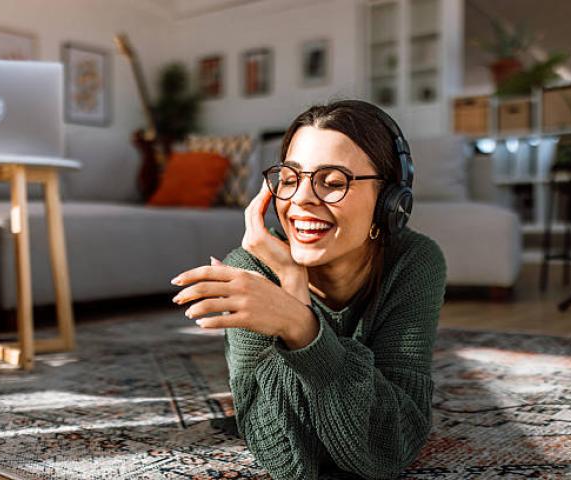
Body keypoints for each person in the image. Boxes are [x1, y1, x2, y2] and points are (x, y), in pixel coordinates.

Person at [170, 100, 447, 479]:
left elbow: (390, 445)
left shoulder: (414, 261)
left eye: (333, 182)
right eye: (288, 179)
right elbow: (287, 457)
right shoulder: (250, 272)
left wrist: (300, 325)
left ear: (390, 203)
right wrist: (292, 285)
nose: (300, 200)